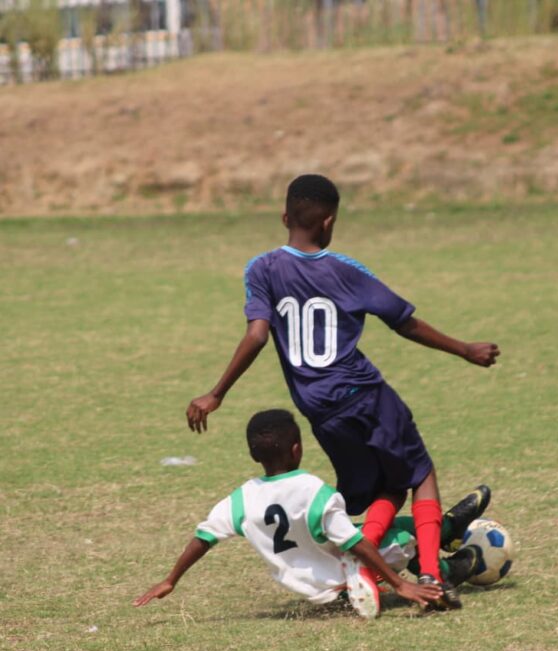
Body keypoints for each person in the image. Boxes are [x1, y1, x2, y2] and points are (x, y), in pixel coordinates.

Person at [185, 174, 500, 608]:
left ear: (284, 217)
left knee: (386, 486)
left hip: (318, 409)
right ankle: (432, 574)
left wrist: (216, 393)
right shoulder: (346, 271)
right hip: (365, 393)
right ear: (329, 223)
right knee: (420, 473)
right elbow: (402, 322)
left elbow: (257, 334)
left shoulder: (261, 269)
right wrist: (463, 348)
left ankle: (364, 569)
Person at [134, 410, 486, 618]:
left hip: (312, 590)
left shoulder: (241, 499)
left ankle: (452, 532)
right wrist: (400, 585)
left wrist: (171, 579)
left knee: (373, 528)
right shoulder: (312, 490)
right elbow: (355, 542)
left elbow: (203, 538)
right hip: (347, 574)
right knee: (406, 530)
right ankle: (449, 554)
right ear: (297, 449)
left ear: (254, 456)